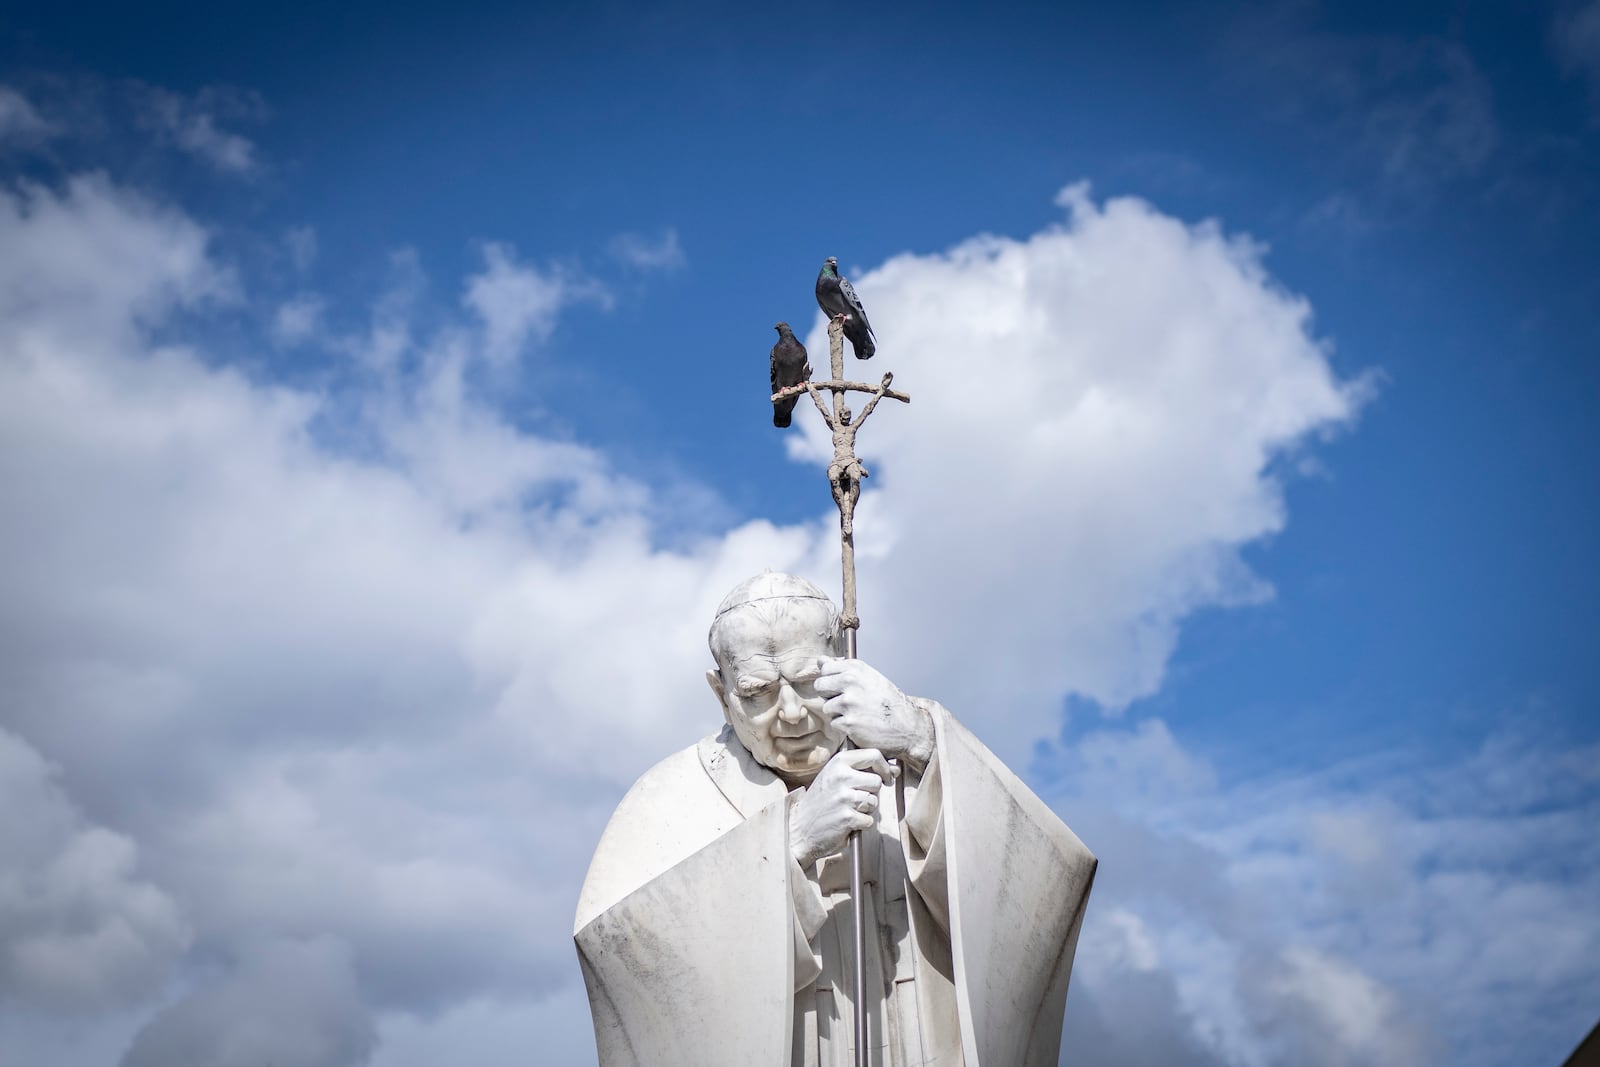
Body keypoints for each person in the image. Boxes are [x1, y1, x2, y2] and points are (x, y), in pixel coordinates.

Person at [574, 573, 1096, 1066]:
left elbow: (1047, 886)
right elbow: (629, 966)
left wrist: (924, 745)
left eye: (807, 681)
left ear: (843, 661)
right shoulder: (668, 797)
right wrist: (789, 846)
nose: (793, 713)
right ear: (721, 693)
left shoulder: (915, 743)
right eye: (757, 692)